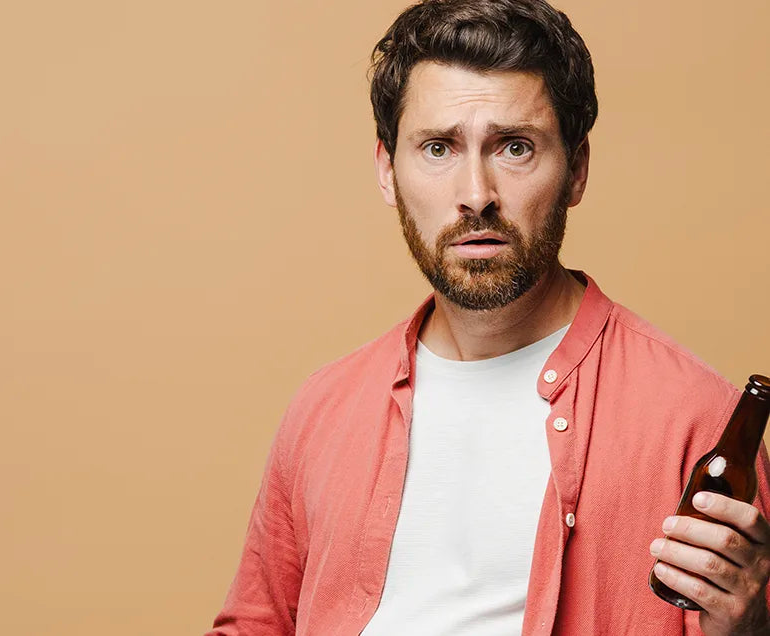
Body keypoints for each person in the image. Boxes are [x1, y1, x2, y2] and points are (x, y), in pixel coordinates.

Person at [206, 0, 770, 634]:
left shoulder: (694, 417)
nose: (476, 194)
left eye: (515, 147)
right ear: (388, 171)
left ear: (576, 170)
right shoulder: (323, 408)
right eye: (439, 147)